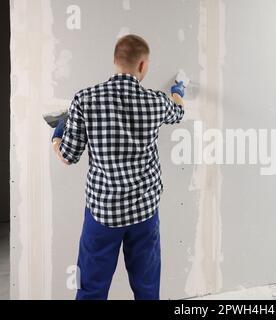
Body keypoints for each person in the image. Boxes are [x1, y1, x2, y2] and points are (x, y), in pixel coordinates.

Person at [51, 34, 186, 300]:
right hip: (144, 211)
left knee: (91, 287)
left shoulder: (85, 100)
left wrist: (57, 133)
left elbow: (67, 156)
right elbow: (178, 112)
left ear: (114, 61)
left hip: (103, 213)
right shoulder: (156, 102)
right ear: (143, 65)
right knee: (147, 288)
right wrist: (178, 91)